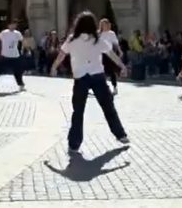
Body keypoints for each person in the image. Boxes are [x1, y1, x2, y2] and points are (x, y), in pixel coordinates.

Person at [50, 11, 129, 153]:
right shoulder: (98, 39)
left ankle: (74, 144)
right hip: (97, 76)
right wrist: (122, 66)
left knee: (78, 111)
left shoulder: (72, 39)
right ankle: (121, 135)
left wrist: (54, 67)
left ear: (78, 24)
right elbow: (111, 55)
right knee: (108, 107)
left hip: (81, 78)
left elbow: (61, 55)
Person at [0, 19, 25, 92]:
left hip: (15, 56)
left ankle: (21, 85)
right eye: (12, 24)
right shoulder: (4, 33)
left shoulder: (18, 33)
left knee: (18, 72)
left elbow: (23, 41)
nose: (13, 26)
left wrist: (24, 49)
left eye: (15, 24)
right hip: (4, 56)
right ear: (8, 25)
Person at [99, 19, 123, 95]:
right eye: (103, 25)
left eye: (106, 24)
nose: (104, 26)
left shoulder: (111, 33)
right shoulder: (98, 33)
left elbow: (115, 43)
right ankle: (103, 88)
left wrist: (120, 51)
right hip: (101, 54)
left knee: (111, 71)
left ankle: (115, 87)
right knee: (101, 71)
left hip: (110, 54)